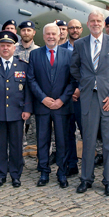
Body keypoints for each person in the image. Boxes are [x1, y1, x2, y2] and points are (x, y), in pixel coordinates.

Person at [70, 10, 109, 196]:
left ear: (103, 23)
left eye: (98, 20)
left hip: (108, 99)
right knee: (89, 141)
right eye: (92, 21)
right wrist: (85, 82)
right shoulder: (80, 43)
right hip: (88, 98)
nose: (95, 23)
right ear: (88, 23)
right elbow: (74, 67)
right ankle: (86, 179)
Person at [0, 30, 33, 187]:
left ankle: (16, 175)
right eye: (2, 45)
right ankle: (1, 174)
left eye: (8, 46)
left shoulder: (23, 66)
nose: (5, 48)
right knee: (0, 146)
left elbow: (28, 91)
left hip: (17, 113)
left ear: (14, 47)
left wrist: (27, 109)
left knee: (16, 146)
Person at [27, 23, 74, 188]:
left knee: (62, 141)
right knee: (42, 141)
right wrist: (43, 98)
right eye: (48, 34)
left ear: (60, 34)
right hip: (42, 106)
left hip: (62, 106)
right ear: (43, 35)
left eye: (54, 33)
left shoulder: (69, 55)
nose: (51, 36)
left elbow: (72, 80)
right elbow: (31, 79)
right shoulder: (34, 55)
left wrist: (62, 99)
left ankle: (62, 172)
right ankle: (44, 171)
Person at [63, 19, 82, 175]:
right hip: (67, 98)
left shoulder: (87, 47)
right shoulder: (61, 49)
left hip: (84, 97)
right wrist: (70, 92)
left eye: (77, 27)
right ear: (67, 30)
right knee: (68, 133)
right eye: (71, 28)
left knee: (86, 132)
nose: (74, 30)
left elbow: (91, 71)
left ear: (81, 29)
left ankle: (88, 166)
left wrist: (80, 89)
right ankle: (71, 164)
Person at [15, 21, 39, 136]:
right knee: (17, 131)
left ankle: (35, 151)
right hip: (17, 95)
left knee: (35, 129)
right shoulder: (12, 50)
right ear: (20, 32)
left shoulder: (39, 51)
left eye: (29, 30)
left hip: (34, 95)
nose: (26, 32)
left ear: (34, 32)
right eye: (24, 30)